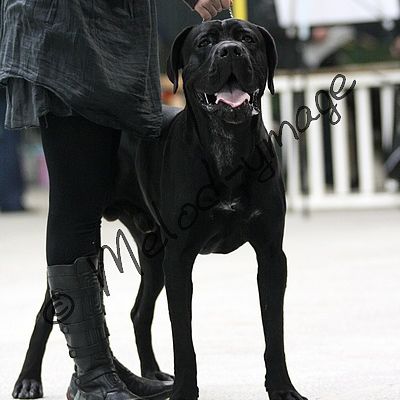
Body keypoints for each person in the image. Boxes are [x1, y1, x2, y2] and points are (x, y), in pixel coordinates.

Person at [0, 0, 231, 399]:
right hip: (69, 32)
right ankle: (91, 376)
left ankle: (95, 366)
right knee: (77, 203)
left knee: (87, 205)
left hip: (105, 38)